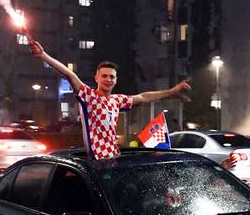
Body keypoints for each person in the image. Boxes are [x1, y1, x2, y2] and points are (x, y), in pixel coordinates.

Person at [30, 41, 190, 160]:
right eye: (104, 76)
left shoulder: (116, 100)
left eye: (111, 76)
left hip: (115, 157)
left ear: (116, 80)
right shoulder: (89, 96)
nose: (108, 79)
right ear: (96, 78)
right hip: (97, 162)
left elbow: (143, 97)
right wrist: (43, 55)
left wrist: (172, 91)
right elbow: (69, 75)